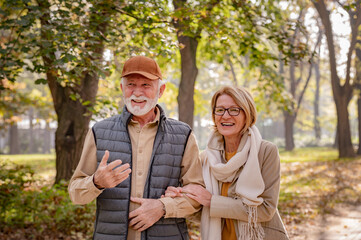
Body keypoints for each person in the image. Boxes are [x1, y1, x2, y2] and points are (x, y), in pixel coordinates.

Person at [68, 55, 204, 240]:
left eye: (146, 85)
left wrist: (163, 207)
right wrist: (96, 182)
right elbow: (76, 195)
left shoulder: (183, 135)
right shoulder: (99, 132)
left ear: (161, 90)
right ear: (122, 88)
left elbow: (198, 196)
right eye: (131, 84)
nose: (137, 93)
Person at [164, 86, 289, 240]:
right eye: (220, 110)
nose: (226, 116)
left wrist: (211, 200)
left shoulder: (265, 152)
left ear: (247, 114)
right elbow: (202, 212)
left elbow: (265, 210)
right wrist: (181, 197)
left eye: (234, 110)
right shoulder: (206, 158)